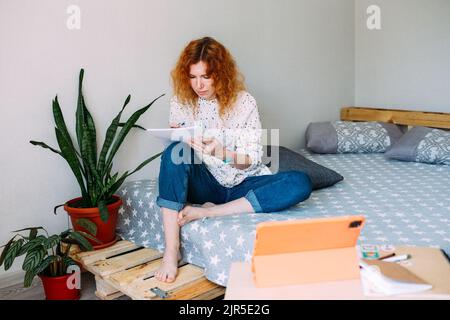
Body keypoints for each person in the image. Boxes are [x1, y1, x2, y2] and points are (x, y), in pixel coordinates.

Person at [154, 36, 312, 282]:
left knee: (299, 182)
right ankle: (171, 250)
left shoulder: (245, 103)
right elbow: (178, 152)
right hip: (205, 183)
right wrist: (181, 138)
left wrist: (222, 153)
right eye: (193, 77)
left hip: (242, 184)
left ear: (221, 73)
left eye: (206, 77)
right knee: (173, 152)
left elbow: (251, 160)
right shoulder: (181, 102)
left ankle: (211, 212)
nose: (199, 85)